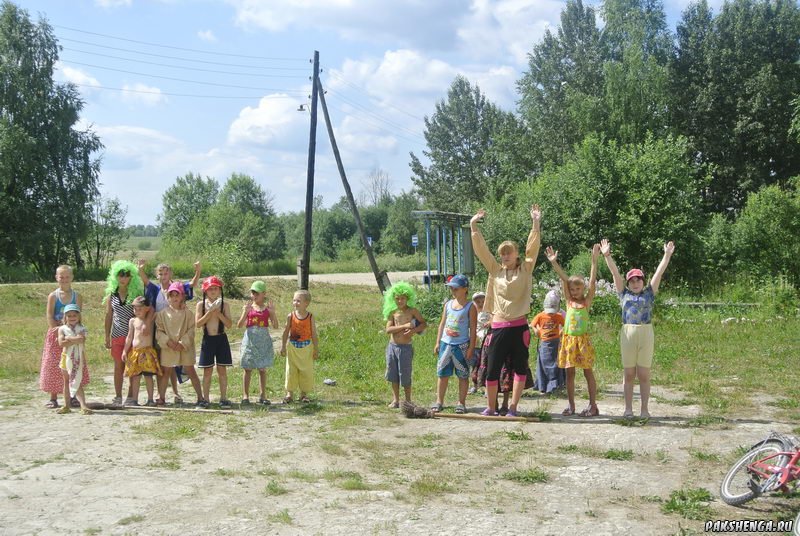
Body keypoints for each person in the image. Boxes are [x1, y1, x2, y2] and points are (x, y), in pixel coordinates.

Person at [470, 205, 541, 417]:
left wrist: (535, 223)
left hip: (519, 328)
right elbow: (482, 250)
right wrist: (474, 226)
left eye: (509, 252)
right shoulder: (495, 270)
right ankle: (491, 407)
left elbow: (533, 248)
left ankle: (513, 407)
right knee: (491, 369)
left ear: (516, 254)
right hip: (498, 327)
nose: (505, 256)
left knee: (519, 369)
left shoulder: (526, 269)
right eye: (502, 253)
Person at [602, 239, 675, 418]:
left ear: (643, 281)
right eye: (632, 281)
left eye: (638, 280)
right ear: (627, 283)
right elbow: (614, 273)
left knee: (643, 374)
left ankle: (644, 410)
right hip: (627, 334)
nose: (635, 283)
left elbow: (659, 272)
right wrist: (607, 256)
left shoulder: (649, 293)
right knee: (628, 374)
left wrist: (666, 255)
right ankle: (628, 409)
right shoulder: (623, 293)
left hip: (646, 334)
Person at [546, 244, 601, 417]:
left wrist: (594, 260)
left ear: (583, 289)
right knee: (569, 374)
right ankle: (571, 406)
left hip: (582, 341)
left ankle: (593, 405)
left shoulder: (586, 302)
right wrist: (555, 263)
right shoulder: (569, 301)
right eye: (572, 289)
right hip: (569, 340)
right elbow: (564, 279)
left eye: (578, 289)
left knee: (587, 372)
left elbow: (592, 282)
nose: (575, 292)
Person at [139, 259, 201, 404]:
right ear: (157, 275)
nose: (163, 275)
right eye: (160, 273)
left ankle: (175, 392)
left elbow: (191, 285)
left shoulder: (177, 287)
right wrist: (141, 269)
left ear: (170, 273)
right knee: (164, 364)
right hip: (160, 328)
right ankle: (160, 394)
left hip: (178, 328)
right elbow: (146, 281)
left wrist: (197, 271)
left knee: (176, 366)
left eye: (166, 273)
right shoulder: (155, 289)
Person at [431, 274, 476, 414]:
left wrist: (471, 347)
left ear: (465, 289)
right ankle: (439, 401)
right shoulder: (448, 304)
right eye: (451, 288)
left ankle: (461, 403)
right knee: (442, 373)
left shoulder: (470, 306)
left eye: (456, 288)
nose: (453, 291)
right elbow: (442, 324)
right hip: (446, 343)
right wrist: (438, 341)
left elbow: (473, 328)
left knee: (462, 375)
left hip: (461, 345)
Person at [40, 264, 83, 409]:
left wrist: (73, 332)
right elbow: (49, 315)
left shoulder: (77, 296)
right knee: (54, 365)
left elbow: (78, 315)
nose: (64, 279)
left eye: (67, 276)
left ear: (72, 278)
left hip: (72, 334)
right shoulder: (53, 296)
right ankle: (53, 397)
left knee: (73, 364)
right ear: (56, 278)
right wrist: (59, 330)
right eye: (61, 277)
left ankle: (73, 396)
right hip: (56, 335)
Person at [155, 282, 204, 406]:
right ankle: (161, 398)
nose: (175, 298)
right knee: (166, 372)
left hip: (185, 348)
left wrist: (183, 343)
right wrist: (168, 342)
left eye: (177, 295)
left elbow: (191, 330)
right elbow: (159, 331)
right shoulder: (162, 314)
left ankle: (200, 397)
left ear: (182, 296)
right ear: (168, 297)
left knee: (191, 371)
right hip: (169, 347)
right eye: (172, 295)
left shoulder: (188, 314)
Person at [103, 260, 144, 406]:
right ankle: (118, 396)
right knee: (118, 366)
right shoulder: (111, 295)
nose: (123, 278)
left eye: (127, 275)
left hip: (133, 337)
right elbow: (108, 316)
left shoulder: (136, 295)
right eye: (120, 274)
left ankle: (130, 397)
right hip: (116, 336)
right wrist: (107, 336)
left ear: (131, 277)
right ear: (115, 276)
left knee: (132, 367)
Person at [382, 282, 427, 409]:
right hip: (392, 347)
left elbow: (423, 324)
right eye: (397, 298)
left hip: (405, 348)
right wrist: (404, 326)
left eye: (402, 298)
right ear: (393, 299)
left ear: (408, 298)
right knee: (393, 373)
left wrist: (413, 331)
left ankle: (407, 401)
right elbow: (388, 330)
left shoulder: (413, 311)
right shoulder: (393, 312)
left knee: (405, 373)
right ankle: (396, 400)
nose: (400, 301)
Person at [237, 280, 278, 405]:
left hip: (263, 341)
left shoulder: (267, 309)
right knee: (247, 368)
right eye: (252, 293)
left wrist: (273, 313)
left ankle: (263, 395)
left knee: (262, 369)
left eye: (257, 293)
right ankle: (245, 395)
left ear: (264, 294)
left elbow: (276, 326)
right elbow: (239, 325)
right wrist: (245, 312)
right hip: (250, 341)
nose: (254, 296)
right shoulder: (249, 308)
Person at [196, 276, 233, 408]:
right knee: (207, 371)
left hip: (221, 339)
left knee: (222, 369)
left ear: (220, 290)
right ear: (205, 291)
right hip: (208, 339)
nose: (213, 291)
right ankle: (206, 399)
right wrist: (209, 313)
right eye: (210, 289)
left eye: (215, 289)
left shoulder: (224, 305)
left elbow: (229, 325)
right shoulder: (201, 305)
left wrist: (218, 314)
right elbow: (198, 324)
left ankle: (223, 398)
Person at [279, 290, 318, 403]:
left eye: (298, 301)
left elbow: (314, 334)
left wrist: (316, 349)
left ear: (306, 303)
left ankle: (303, 394)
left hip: (306, 348)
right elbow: (286, 332)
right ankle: (289, 394)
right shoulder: (290, 316)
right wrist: (283, 346)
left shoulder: (310, 317)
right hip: (293, 348)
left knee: (306, 371)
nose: (295, 303)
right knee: (291, 371)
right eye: (294, 300)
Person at [121, 296, 161, 406]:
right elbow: (129, 337)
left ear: (146, 309)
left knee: (148, 376)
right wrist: (125, 351)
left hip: (147, 352)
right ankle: (134, 399)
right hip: (135, 352)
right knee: (135, 377)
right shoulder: (133, 321)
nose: (137, 311)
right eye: (134, 309)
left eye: (140, 309)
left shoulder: (151, 319)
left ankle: (150, 399)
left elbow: (153, 308)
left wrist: (148, 315)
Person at [56, 304, 92, 415]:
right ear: (65, 317)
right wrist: (73, 339)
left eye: (74, 315)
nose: (72, 317)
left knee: (77, 380)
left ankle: (83, 405)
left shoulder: (82, 328)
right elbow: (61, 343)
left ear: (79, 316)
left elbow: (81, 339)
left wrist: (68, 338)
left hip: (78, 358)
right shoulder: (62, 329)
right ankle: (67, 405)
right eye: (69, 315)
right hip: (66, 357)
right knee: (66, 381)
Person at [531, 290, 566, 394]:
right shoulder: (540, 315)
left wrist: (561, 331)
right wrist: (536, 330)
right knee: (543, 362)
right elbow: (533, 324)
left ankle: (555, 384)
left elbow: (566, 325)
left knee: (555, 363)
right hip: (544, 342)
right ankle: (543, 385)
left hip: (556, 342)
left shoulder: (559, 316)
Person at [468, 291, 490, 395]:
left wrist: (489, 323)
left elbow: (493, 321)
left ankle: (487, 388)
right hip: (474, 342)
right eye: (478, 302)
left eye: (482, 301)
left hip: (485, 342)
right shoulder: (471, 313)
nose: (480, 304)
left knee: (485, 364)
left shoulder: (488, 312)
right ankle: (474, 385)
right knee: (474, 365)